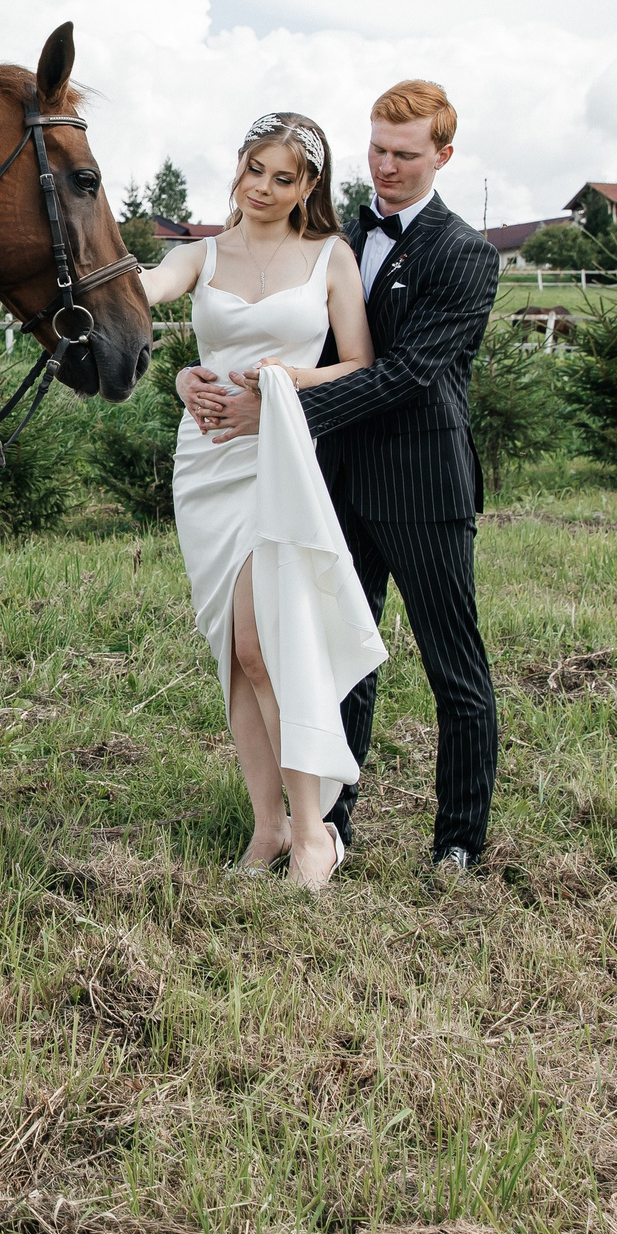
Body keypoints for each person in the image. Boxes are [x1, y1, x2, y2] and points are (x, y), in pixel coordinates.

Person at [184, 81, 501, 874]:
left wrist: (277, 408)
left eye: (405, 154)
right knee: (326, 656)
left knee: (451, 666)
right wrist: (199, 377)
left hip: (423, 484)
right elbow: (278, 328)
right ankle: (330, 825)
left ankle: (457, 839)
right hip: (331, 484)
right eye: (377, 150)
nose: (386, 167)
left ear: (443, 157)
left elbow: (406, 376)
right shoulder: (338, 241)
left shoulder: (466, 255)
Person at [139, 112, 387, 890]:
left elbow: (358, 365)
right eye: (256, 171)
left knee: (265, 642)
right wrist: (180, 376)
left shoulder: (329, 258)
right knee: (236, 656)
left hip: (280, 456)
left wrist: (285, 379)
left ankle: (315, 833)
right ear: (238, 169)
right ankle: (267, 826)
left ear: (309, 185)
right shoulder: (201, 254)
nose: (266, 189)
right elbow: (143, 294)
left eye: (285, 178)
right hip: (206, 458)